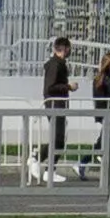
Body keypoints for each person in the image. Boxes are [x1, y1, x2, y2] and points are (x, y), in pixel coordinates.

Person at [39, 35, 74, 177]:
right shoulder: (55, 64)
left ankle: (45, 165)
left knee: (58, 138)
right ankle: (40, 162)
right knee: (58, 139)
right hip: (55, 104)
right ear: (65, 49)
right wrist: (68, 86)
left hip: (57, 104)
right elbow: (50, 87)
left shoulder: (58, 64)